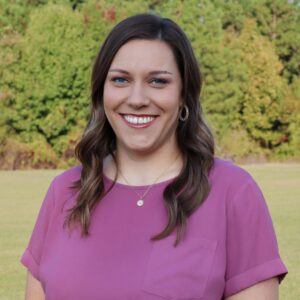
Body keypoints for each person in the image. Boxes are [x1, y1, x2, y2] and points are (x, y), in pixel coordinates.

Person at [21, 13, 287, 300]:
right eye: (120, 79)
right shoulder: (65, 191)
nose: (137, 99)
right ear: (101, 93)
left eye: (158, 82)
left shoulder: (232, 192)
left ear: (184, 95)